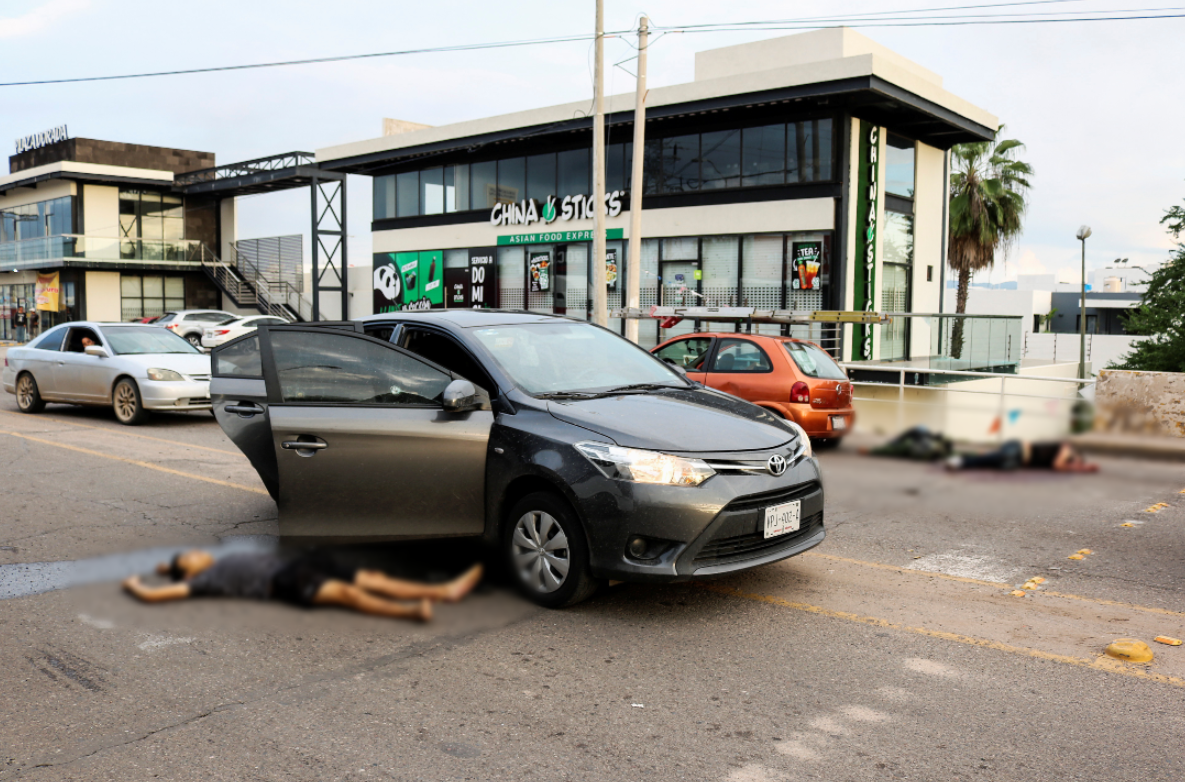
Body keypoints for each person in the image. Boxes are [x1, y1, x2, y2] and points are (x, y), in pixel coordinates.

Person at [123, 550, 484, 622]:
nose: (198, 553)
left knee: (376, 580)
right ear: (189, 572)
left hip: (299, 566)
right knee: (349, 595)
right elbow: (167, 590)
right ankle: (410, 611)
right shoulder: (204, 580)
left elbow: (168, 568)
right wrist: (140, 587)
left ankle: (442, 592)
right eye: (191, 557)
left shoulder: (215, 564)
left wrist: (164, 565)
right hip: (283, 583)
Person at [946, 440, 1098, 473]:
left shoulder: (1066, 457)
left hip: (1017, 458)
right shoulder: (1067, 449)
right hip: (1017, 450)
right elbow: (1059, 465)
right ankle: (960, 460)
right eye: (1077, 463)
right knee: (998, 459)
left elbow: (1060, 466)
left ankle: (962, 460)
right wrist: (1083, 468)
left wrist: (1082, 468)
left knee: (993, 462)